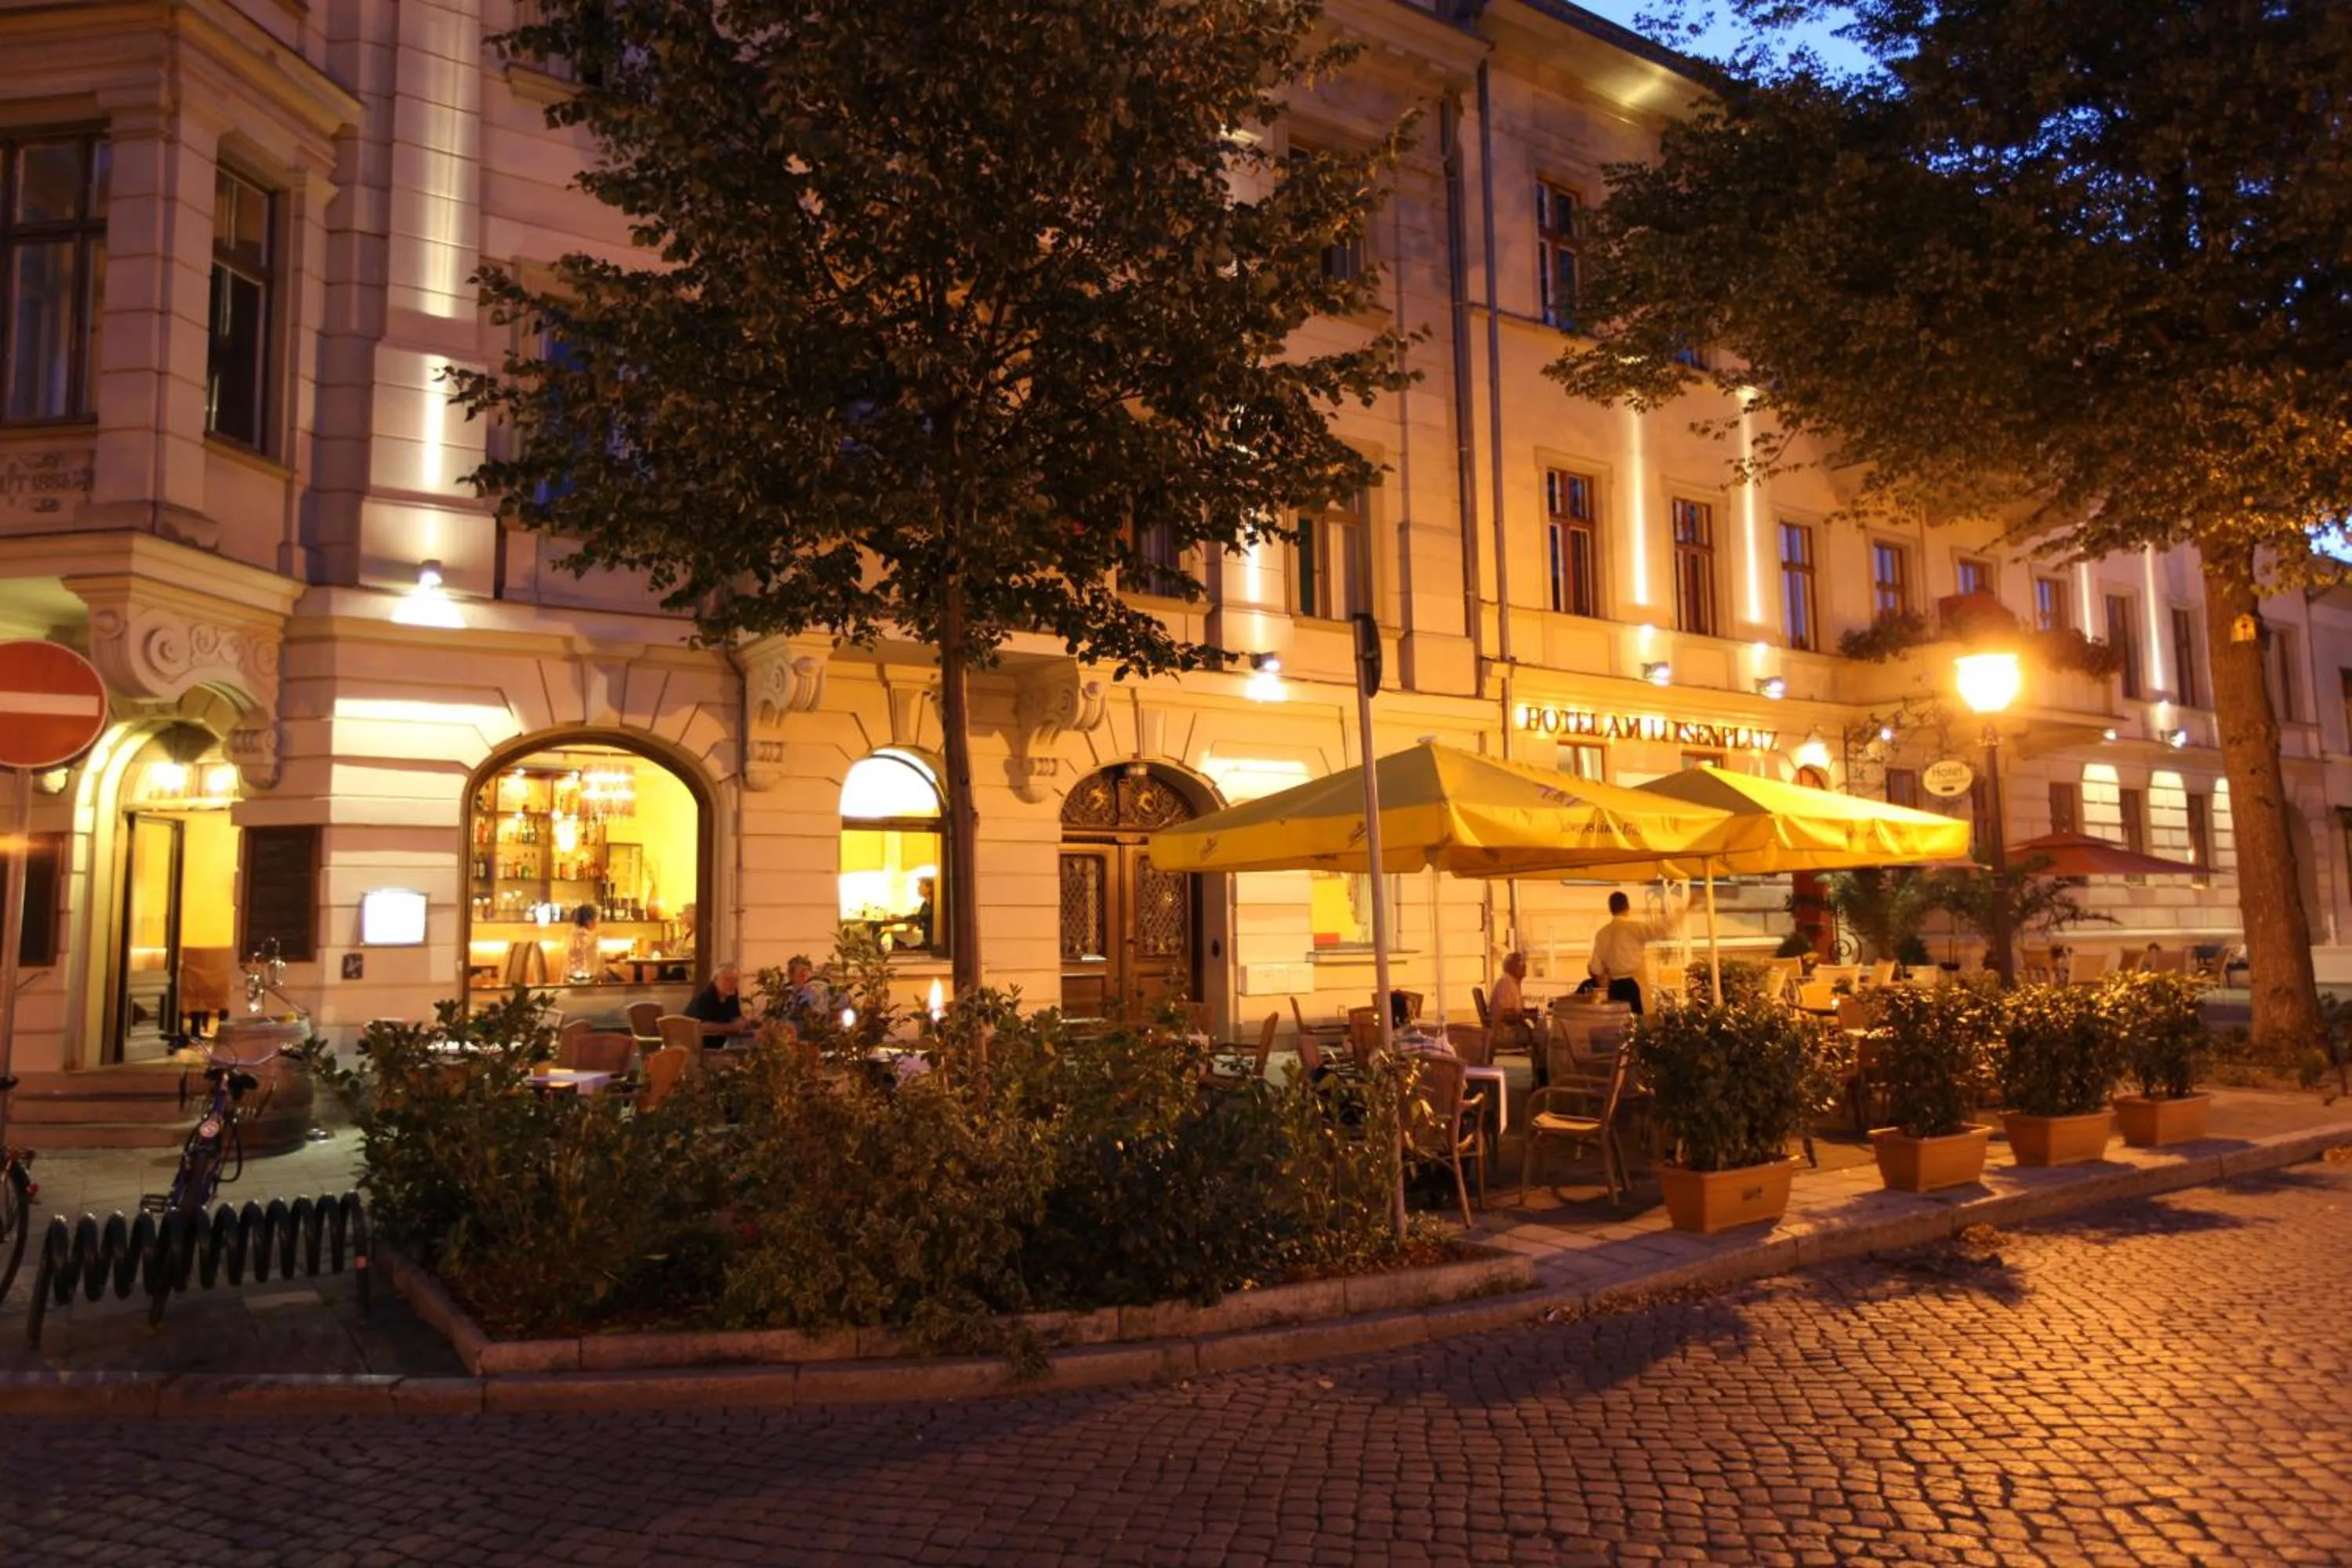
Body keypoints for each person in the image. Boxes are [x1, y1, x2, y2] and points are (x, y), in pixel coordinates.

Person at [1587, 889, 1682, 1015]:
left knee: (1618, 1025)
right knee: (1638, 1026)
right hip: (1634, 985)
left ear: (1611, 909)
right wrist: (1684, 910)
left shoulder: (1602, 934)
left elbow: (1595, 968)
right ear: (1627, 907)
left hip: (1614, 988)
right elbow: (1661, 928)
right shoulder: (1634, 928)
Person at [683, 960, 755, 1043]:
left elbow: (736, 1017)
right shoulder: (706, 997)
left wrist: (745, 1022)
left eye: (735, 980)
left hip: (724, 1038)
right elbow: (701, 1026)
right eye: (727, 980)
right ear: (715, 980)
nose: (732, 984)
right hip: (702, 1042)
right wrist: (732, 1027)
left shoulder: (731, 993)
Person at [564, 903, 601, 983]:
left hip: (569, 979)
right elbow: (594, 965)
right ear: (589, 920)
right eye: (597, 918)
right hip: (585, 982)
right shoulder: (587, 937)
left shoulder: (571, 935)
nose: (598, 922)